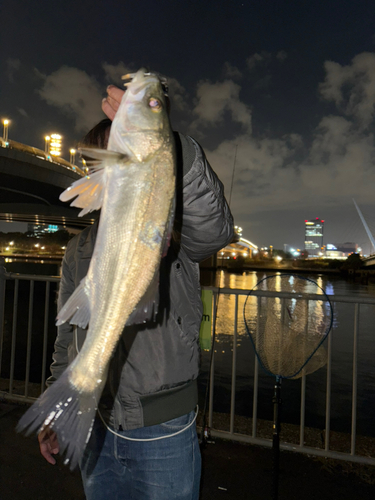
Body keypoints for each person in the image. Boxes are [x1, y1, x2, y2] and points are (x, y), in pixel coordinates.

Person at [38, 75, 234, 500]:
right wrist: (58, 412)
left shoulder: (173, 236)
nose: (104, 167)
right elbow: (65, 340)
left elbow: (217, 230)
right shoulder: (78, 250)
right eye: (98, 161)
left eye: (113, 156)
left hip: (162, 431)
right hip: (95, 425)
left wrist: (169, 147)